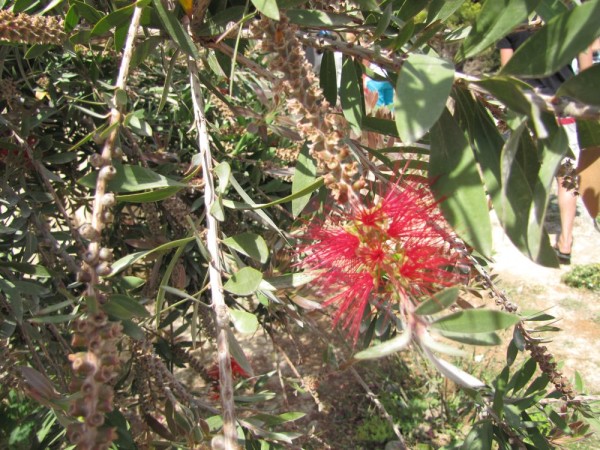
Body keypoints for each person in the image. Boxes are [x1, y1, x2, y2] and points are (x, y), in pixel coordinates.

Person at [498, 25, 593, 265]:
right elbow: (586, 71)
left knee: (525, 170)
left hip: (528, 110)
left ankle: (529, 234)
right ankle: (566, 241)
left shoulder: (511, 24)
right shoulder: (564, 19)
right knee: (567, 176)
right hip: (565, 109)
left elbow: (506, 74)